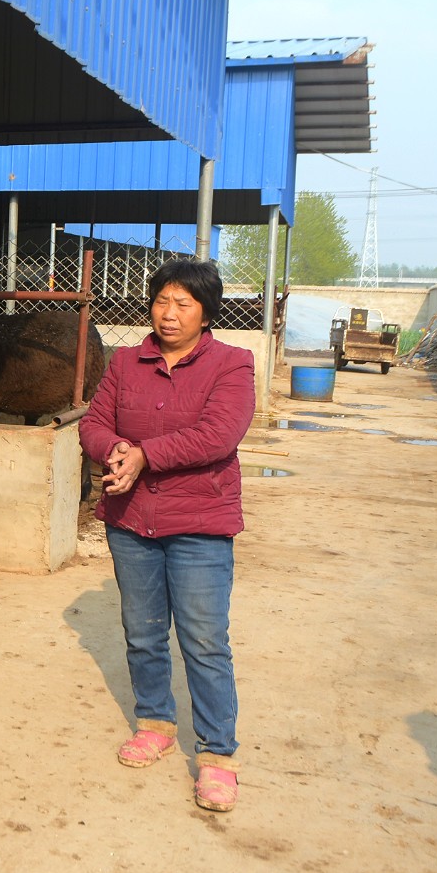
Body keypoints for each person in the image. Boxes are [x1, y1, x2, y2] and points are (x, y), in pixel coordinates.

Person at [79, 258, 255, 812]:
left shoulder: (233, 364)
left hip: (200, 525)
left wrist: (144, 454)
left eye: (183, 304)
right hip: (132, 522)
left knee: (204, 639)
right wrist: (114, 451)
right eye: (161, 301)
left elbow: (218, 435)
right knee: (143, 630)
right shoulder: (127, 362)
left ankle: (217, 756)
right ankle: (155, 722)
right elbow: (92, 422)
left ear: (206, 312)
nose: (169, 314)